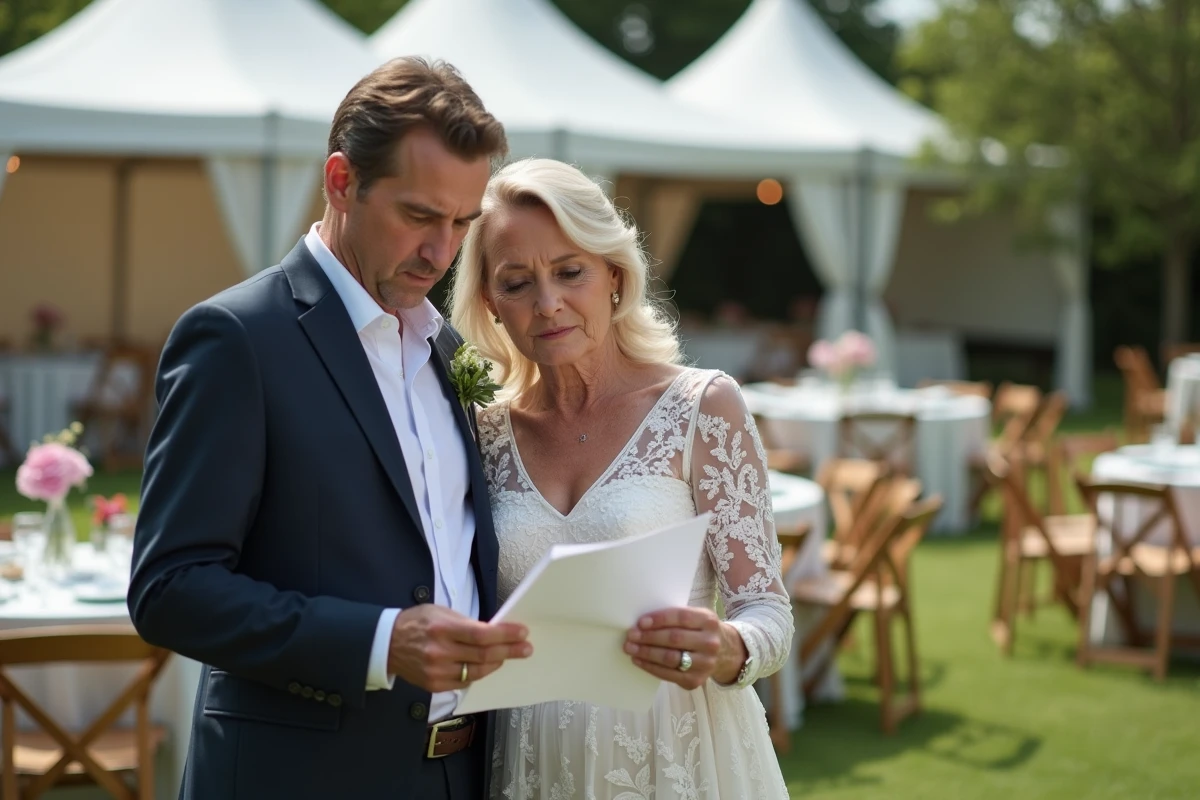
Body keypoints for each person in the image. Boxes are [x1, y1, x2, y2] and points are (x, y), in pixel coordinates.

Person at [127, 57, 530, 800]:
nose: (442, 253)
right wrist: (380, 641)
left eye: (461, 224)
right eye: (418, 215)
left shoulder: (448, 351)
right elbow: (170, 588)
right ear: (341, 182)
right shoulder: (237, 338)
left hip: (460, 775)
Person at [449, 158, 793, 799]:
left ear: (614, 273)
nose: (547, 303)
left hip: (682, 754)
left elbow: (767, 610)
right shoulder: (480, 433)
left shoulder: (703, 406)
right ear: (491, 303)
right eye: (517, 282)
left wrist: (728, 647)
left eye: (569, 271)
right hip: (531, 758)